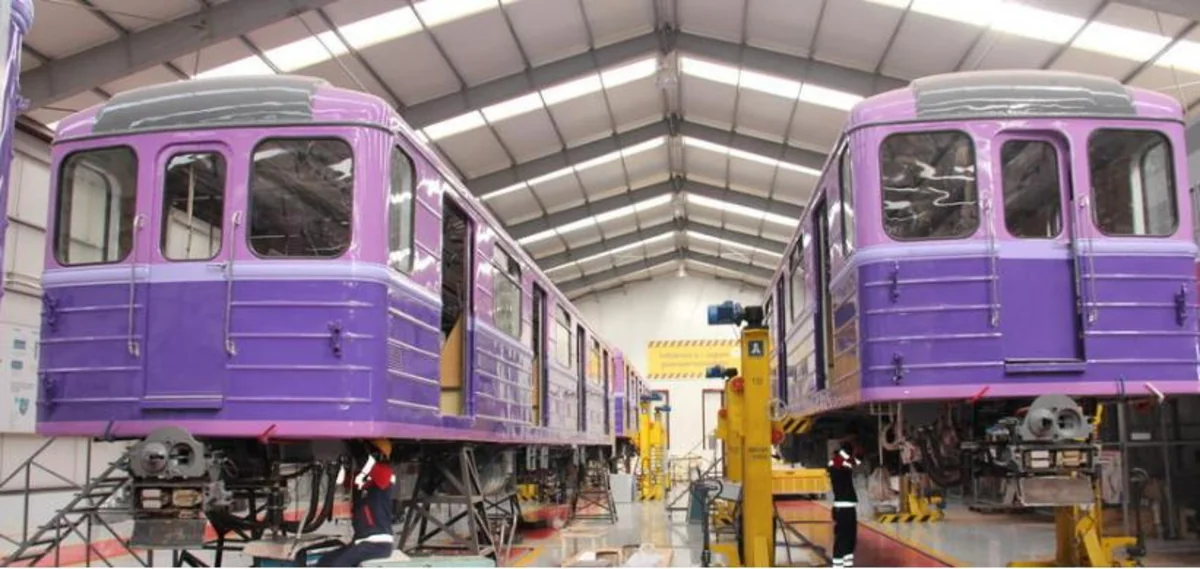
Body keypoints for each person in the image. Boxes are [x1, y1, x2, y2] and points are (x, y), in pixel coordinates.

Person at [316, 439, 396, 567]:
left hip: (377, 544)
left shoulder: (385, 473)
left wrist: (357, 448)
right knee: (325, 561)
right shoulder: (362, 478)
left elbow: (369, 465)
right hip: (361, 542)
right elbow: (343, 481)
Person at [828, 440, 860, 569]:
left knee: (850, 540)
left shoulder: (845, 465)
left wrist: (858, 448)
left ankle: (847, 566)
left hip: (850, 508)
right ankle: (837, 566)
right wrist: (848, 445)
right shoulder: (834, 464)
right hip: (842, 509)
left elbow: (857, 460)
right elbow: (844, 455)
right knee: (842, 540)